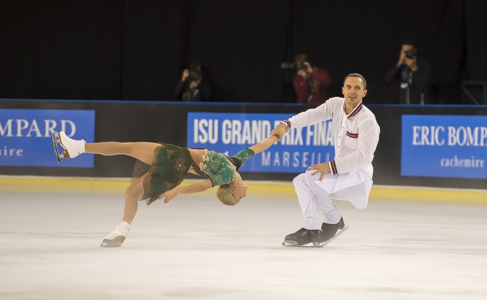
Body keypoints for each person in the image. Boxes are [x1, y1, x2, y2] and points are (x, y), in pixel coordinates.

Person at [51, 129, 284, 247]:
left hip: (177, 159)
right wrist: (278, 133)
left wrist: (177, 191)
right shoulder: (235, 164)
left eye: (240, 198)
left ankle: (77, 147)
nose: (245, 194)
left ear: (231, 190)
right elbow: (260, 146)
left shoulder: (226, 174)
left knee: (127, 147)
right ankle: (120, 232)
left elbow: (203, 186)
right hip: (178, 162)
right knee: (130, 191)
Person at [271, 73, 380, 247]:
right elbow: (311, 115)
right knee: (300, 180)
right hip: (341, 176)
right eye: (349, 87)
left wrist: (331, 166)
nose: (353, 91)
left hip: (359, 178)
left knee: (312, 176)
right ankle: (312, 228)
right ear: (343, 90)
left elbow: (364, 155)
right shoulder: (335, 104)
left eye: (357, 88)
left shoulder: (368, 120)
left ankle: (333, 219)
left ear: (364, 93)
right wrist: (287, 124)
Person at [385, 39, 430, 104]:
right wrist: (399, 64)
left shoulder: (422, 65)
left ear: (414, 50)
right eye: (404, 51)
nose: (406, 53)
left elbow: (423, 85)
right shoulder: (401, 66)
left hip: (418, 105)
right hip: (403, 104)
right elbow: (388, 80)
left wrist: (414, 68)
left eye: (408, 51)